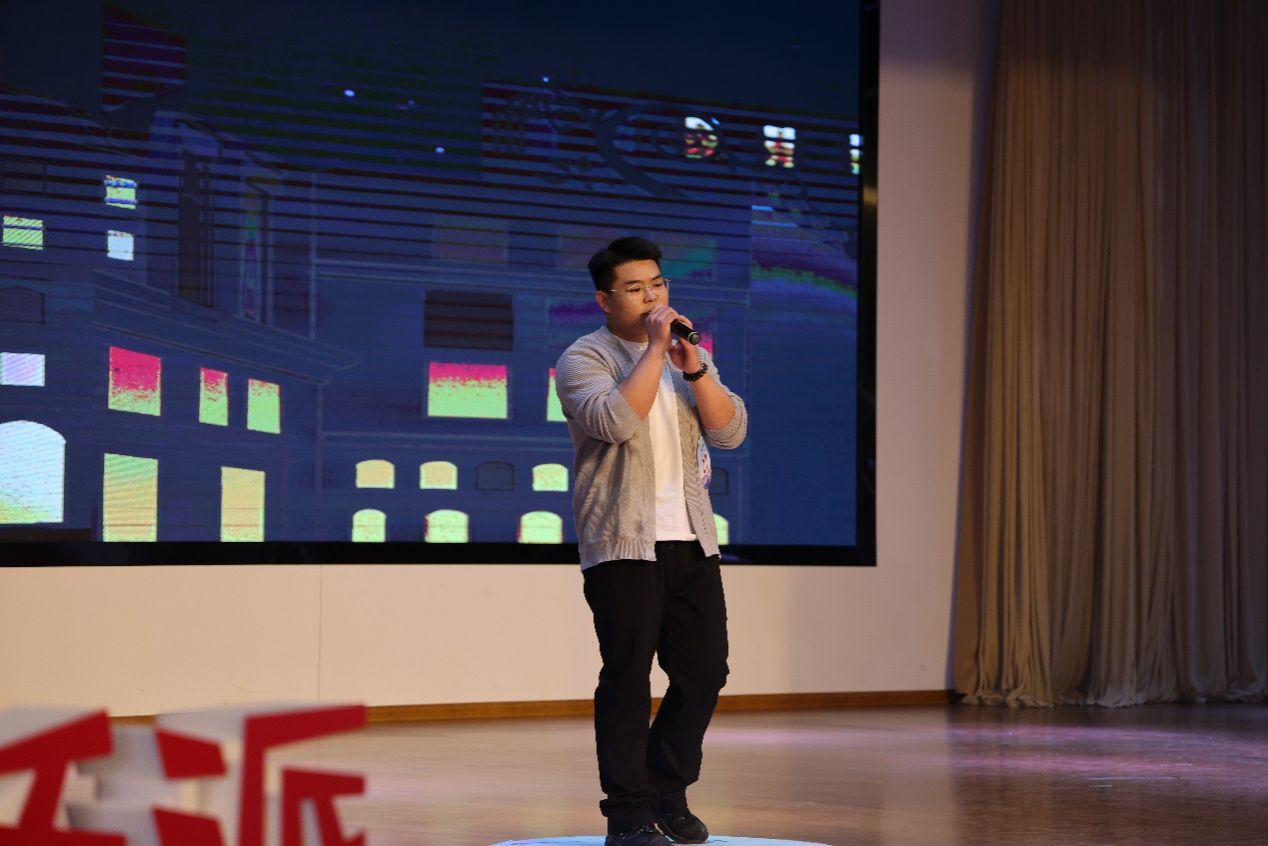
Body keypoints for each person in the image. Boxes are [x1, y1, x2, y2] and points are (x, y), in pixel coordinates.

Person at [554, 236, 748, 846]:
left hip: (692, 541)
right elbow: (613, 421)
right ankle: (629, 813)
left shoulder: (688, 356)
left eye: (658, 284)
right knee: (628, 678)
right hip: (622, 545)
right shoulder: (584, 357)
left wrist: (694, 367)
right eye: (635, 288)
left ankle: (666, 790)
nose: (651, 296)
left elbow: (731, 432)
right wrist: (656, 350)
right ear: (605, 299)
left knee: (705, 672)